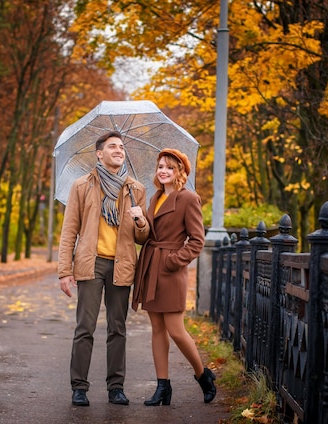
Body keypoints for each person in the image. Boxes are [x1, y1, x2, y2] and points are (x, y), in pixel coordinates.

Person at [58, 130, 149, 407]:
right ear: (99, 153)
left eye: (121, 147)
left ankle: (116, 388)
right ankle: (79, 387)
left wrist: (141, 220)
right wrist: (64, 270)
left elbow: (142, 238)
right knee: (84, 327)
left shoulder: (136, 189)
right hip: (90, 263)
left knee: (117, 329)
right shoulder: (82, 186)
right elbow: (69, 229)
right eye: (112, 147)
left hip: (121, 265)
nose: (119, 150)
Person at [132, 148, 217, 406]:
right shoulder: (154, 198)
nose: (163, 171)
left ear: (180, 171)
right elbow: (146, 237)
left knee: (176, 330)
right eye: (160, 166)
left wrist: (173, 261)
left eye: (169, 167)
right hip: (150, 268)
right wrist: (138, 221)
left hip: (170, 271)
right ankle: (162, 387)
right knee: (157, 329)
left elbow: (197, 241)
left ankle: (203, 376)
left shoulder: (188, 198)